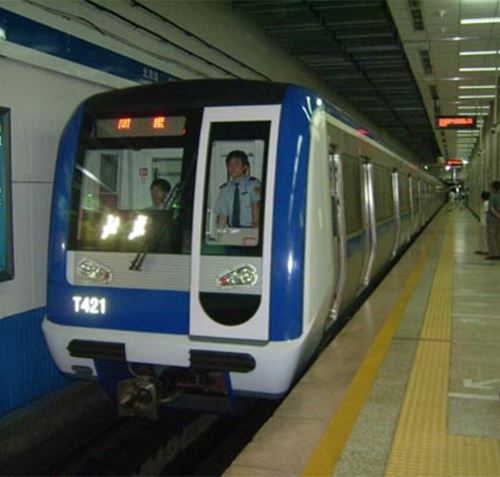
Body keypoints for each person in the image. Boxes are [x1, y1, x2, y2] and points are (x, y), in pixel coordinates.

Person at [214, 150, 261, 228]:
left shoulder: (253, 184)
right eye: (230, 165)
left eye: (236, 164)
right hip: (232, 230)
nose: (232, 168)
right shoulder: (225, 189)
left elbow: (256, 207)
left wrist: (255, 229)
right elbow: (223, 216)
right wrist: (220, 232)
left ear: (244, 167)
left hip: (250, 228)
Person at [486, 180, 500, 260]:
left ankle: (493, 254)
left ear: (494, 188)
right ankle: (498, 253)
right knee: (498, 237)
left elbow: (491, 208)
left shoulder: (493, 196)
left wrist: (498, 216)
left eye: (491, 187)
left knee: (491, 237)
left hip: (492, 220)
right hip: (498, 222)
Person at [474, 191, 489, 255]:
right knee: (481, 237)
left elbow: (487, 213)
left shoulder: (486, 203)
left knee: (484, 237)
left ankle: (485, 250)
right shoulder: (485, 203)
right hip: (482, 222)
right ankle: (481, 249)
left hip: (484, 223)